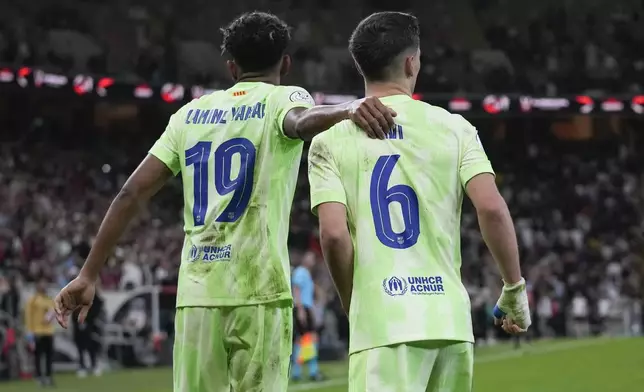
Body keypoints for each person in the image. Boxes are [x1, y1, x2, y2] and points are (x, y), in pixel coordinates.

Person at [53, 11, 396, 392]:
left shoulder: (189, 115)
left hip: (198, 295)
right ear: (285, 63)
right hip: (260, 292)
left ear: (231, 67)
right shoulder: (284, 96)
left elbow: (130, 193)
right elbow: (300, 122)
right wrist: (348, 108)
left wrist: (88, 274)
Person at [308, 11, 532, 392]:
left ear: (360, 65)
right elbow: (492, 208)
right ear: (411, 61)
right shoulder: (456, 128)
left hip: (384, 324)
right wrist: (513, 288)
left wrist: (353, 306)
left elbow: (333, 235)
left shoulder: (330, 141)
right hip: (449, 323)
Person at [291, 251, 322, 381]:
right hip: (302, 307)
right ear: (304, 258)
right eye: (310, 257)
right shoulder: (301, 272)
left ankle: (298, 373)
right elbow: (296, 290)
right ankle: (312, 371)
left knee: (303, 340)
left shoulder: (306, 273)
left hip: (305, 307)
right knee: (310, 339)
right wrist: (300, 310)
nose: (312, 261)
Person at [25, 277, 55, 387]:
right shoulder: (33, 300)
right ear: (37, 285)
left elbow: (53, 313)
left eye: (45, 283)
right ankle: (38, 376)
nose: (44, 285)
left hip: (49, 331)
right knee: (38, 356)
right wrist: (29, 332)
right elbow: (28, 316)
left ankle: (48, 376)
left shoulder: (49, 299)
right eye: (41, 283)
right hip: (37, 331)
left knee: (49, 356)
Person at [72, 287, 103, 377]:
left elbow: (98, 305)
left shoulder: (91, 292)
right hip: (78, 324)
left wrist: (89, 319)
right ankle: (82, 366)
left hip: (90, 324)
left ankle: (94, 365)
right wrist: (77, 320)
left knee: (91, 345)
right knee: (80, 346)